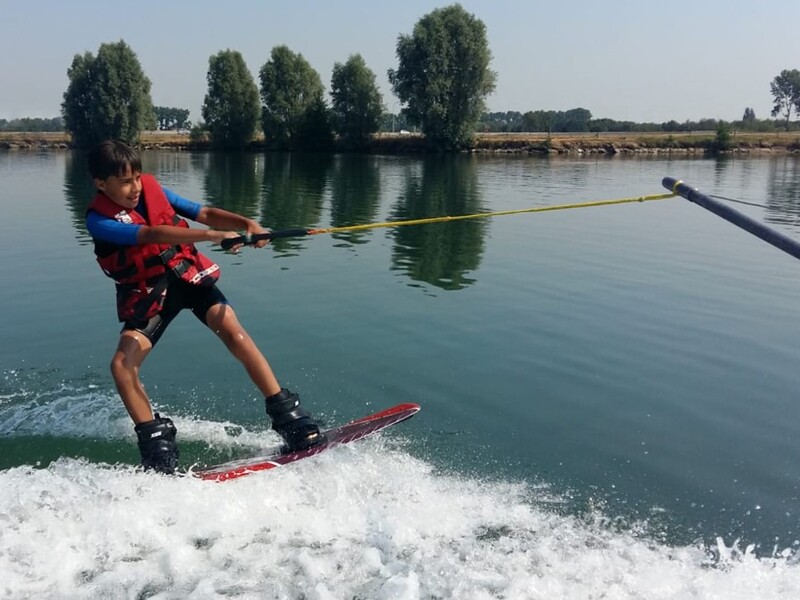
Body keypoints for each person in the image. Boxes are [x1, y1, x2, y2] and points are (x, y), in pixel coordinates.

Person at [85, 139, 323, 474]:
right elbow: (151, 234)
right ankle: (158, 451)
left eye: (137, 178)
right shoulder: (98, 221)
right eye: (125, 182)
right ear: (100, 183)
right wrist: (212, 236)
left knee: (234, 332)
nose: (135, 187)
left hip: (189, 278)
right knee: (122, 366)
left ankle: (292, 422)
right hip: (151, 294)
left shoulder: (152, 190)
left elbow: (205, 213)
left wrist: (246, 224)